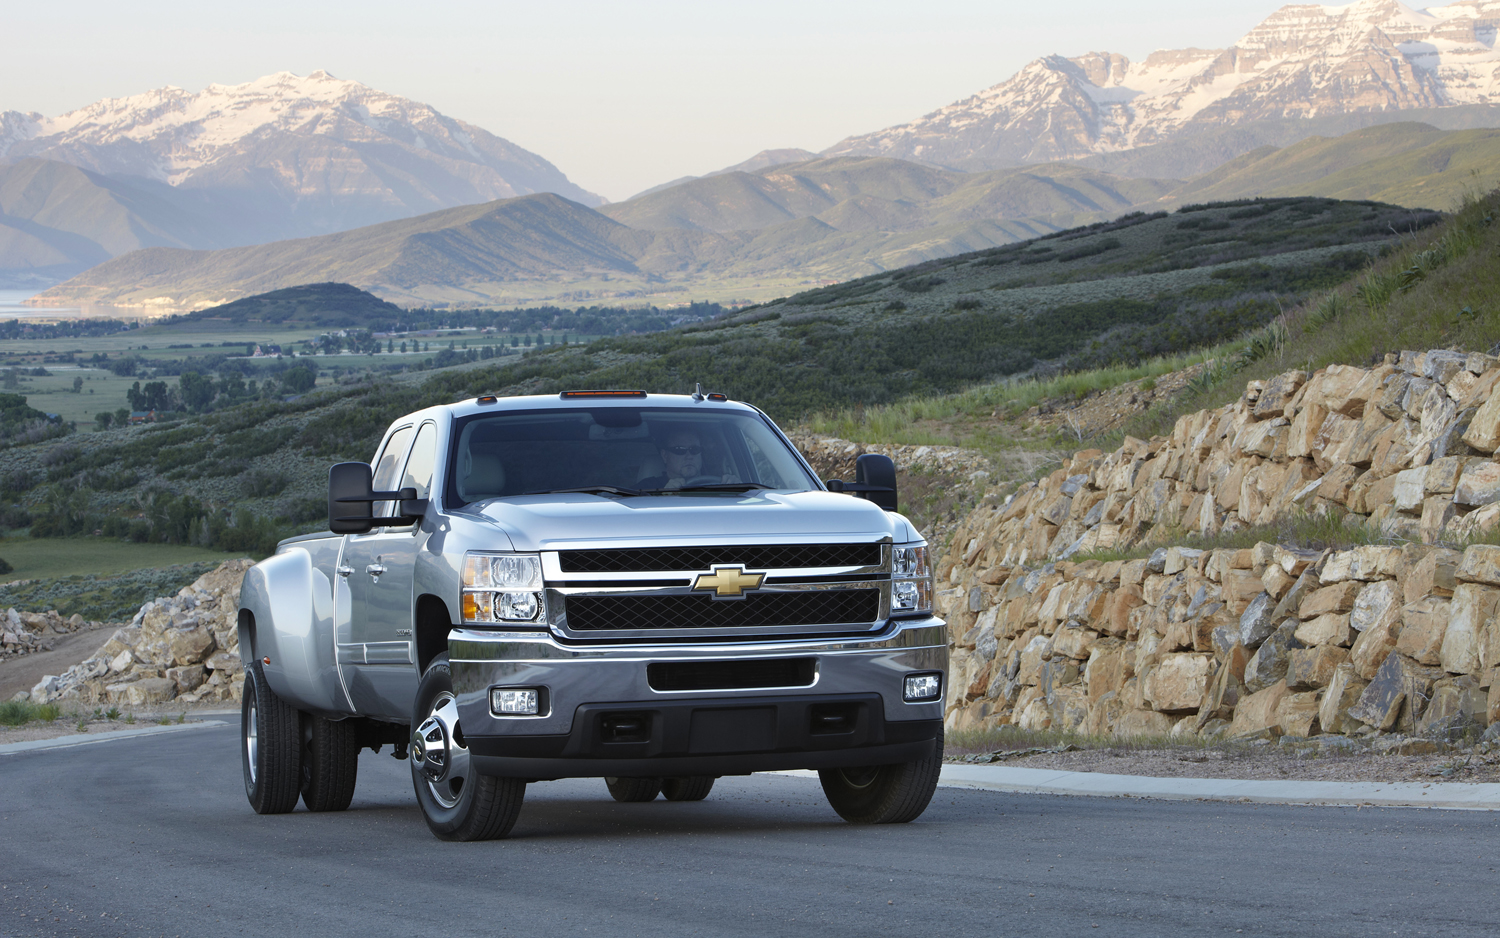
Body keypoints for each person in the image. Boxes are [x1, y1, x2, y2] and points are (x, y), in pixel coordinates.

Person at [639, 428, 733, 490]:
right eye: (680, 450)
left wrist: (737, 490)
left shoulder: (719, 484)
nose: (689, 456)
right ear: (665, 455)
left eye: (694, 450)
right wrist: (663, 495)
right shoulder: (646, 488)